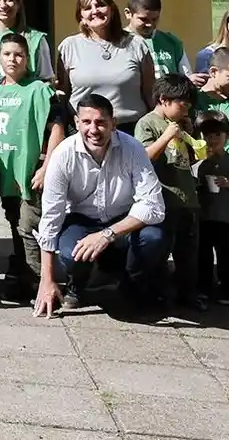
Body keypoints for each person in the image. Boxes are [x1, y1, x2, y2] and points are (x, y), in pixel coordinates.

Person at [33, 95, 169, 316]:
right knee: (70, 253)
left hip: (123, 219)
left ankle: (133, 283)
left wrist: (107, 234)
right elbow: (50, 218)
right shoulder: (62, 155)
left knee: (153, 238)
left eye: (101, 122)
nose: (93, 129)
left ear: (113, 123)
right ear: (76, 123)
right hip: (81, 220)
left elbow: (153, 206)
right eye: (86, 122)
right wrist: (46, 280)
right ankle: (77, 284)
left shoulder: (132, 149)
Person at [0, 32, 66, 300]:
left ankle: (43, 283)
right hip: (5, 172)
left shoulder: (39, 90)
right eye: (7, 54)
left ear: (27, 58)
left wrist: (47, 165)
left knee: (30, 226)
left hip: (33, 172)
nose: (13, 59)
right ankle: (25, 277)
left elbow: (57, 127)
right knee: (15, 223)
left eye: (19, 54)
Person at [134, 73, 204, 310]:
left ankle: (188, 294)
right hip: (164, 198)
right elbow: (144, 157)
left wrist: (193, 137)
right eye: (182, 104)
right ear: (164, 99)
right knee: (161, 250)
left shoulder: (183, 124)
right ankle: (156, 295)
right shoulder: (147, 123)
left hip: (188, 198)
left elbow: (191, 158)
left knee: (188, 253)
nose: (187, 109)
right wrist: (166, 136)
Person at [56, 0, 155, 130]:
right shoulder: (68, 46)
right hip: (85, 132)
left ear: (112, 10)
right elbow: (63, 94)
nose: (95, 11)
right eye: (87, 8)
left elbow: (150, 92)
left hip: (130, 130)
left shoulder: (136, 44)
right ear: (81, 16)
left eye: (100, 5)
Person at [192, 109, 229, 305]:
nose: (212, 139)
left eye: (217, 135)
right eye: (207, 135)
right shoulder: (199, 161)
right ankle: (204, 287)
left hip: (225, 215)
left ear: (227, 136)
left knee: (226, 253)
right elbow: (191, 180)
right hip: (203, 214)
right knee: (202, 252)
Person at [124, 0, 191, 80]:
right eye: (143, 19)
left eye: (154, 19)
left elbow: (186, 77)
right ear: (128, 13)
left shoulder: (171, 43)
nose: (149, 24)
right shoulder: (118, 43)